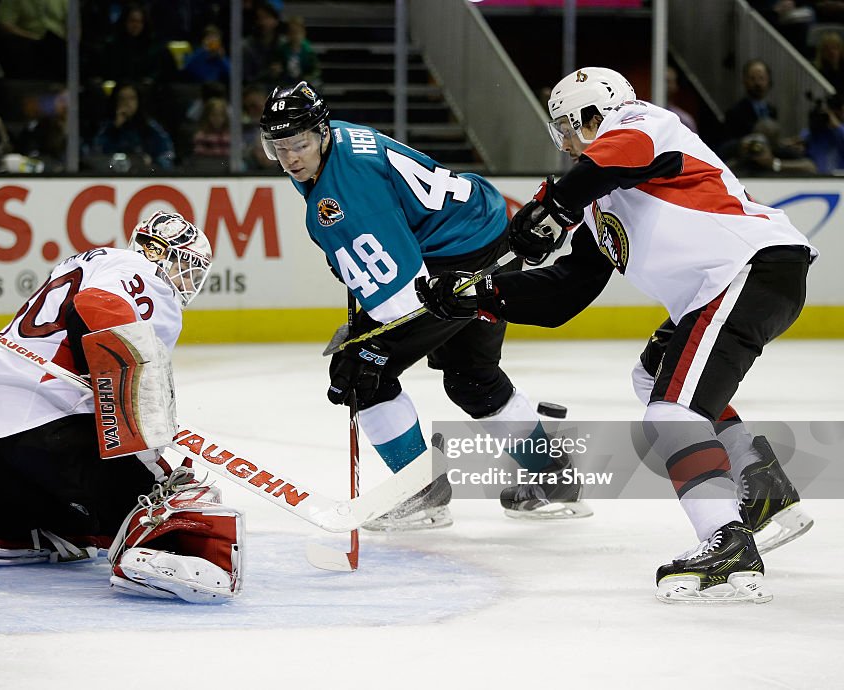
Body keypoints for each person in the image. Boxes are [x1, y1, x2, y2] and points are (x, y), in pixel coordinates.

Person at [416, 67, 816, 602]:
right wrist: (482, 292)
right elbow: (564, 294)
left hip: (747, 269)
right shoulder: (603, 202)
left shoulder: (643, 122)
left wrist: (551, 206)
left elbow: (610, 159)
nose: (563, 143)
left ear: (591, 115)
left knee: (672, 411)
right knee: (653, 377)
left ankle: (727, 542)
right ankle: (759, 484)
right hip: (730, 283)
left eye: (566, 127)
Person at [258, 81, 592, 530]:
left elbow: (402, 296)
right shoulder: (335, 141)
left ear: (319, 133)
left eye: (298, 145)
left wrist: (363, 341)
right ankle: (553, 481)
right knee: (473, 379)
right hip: (485, 231)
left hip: (454, 260)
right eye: (279, 148)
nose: (290, 158)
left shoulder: (340, 196)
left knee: (361, 374)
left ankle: (421, 492)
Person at [0, 211, 243, 603]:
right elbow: (97, 308)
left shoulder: (87, 261)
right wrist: (134, 410)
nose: (187, 283)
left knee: (74, 529)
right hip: (49, 430)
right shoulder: (149, 279)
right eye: (188, 269)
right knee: (164, 493)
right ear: (167, 256)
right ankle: (167, 552)